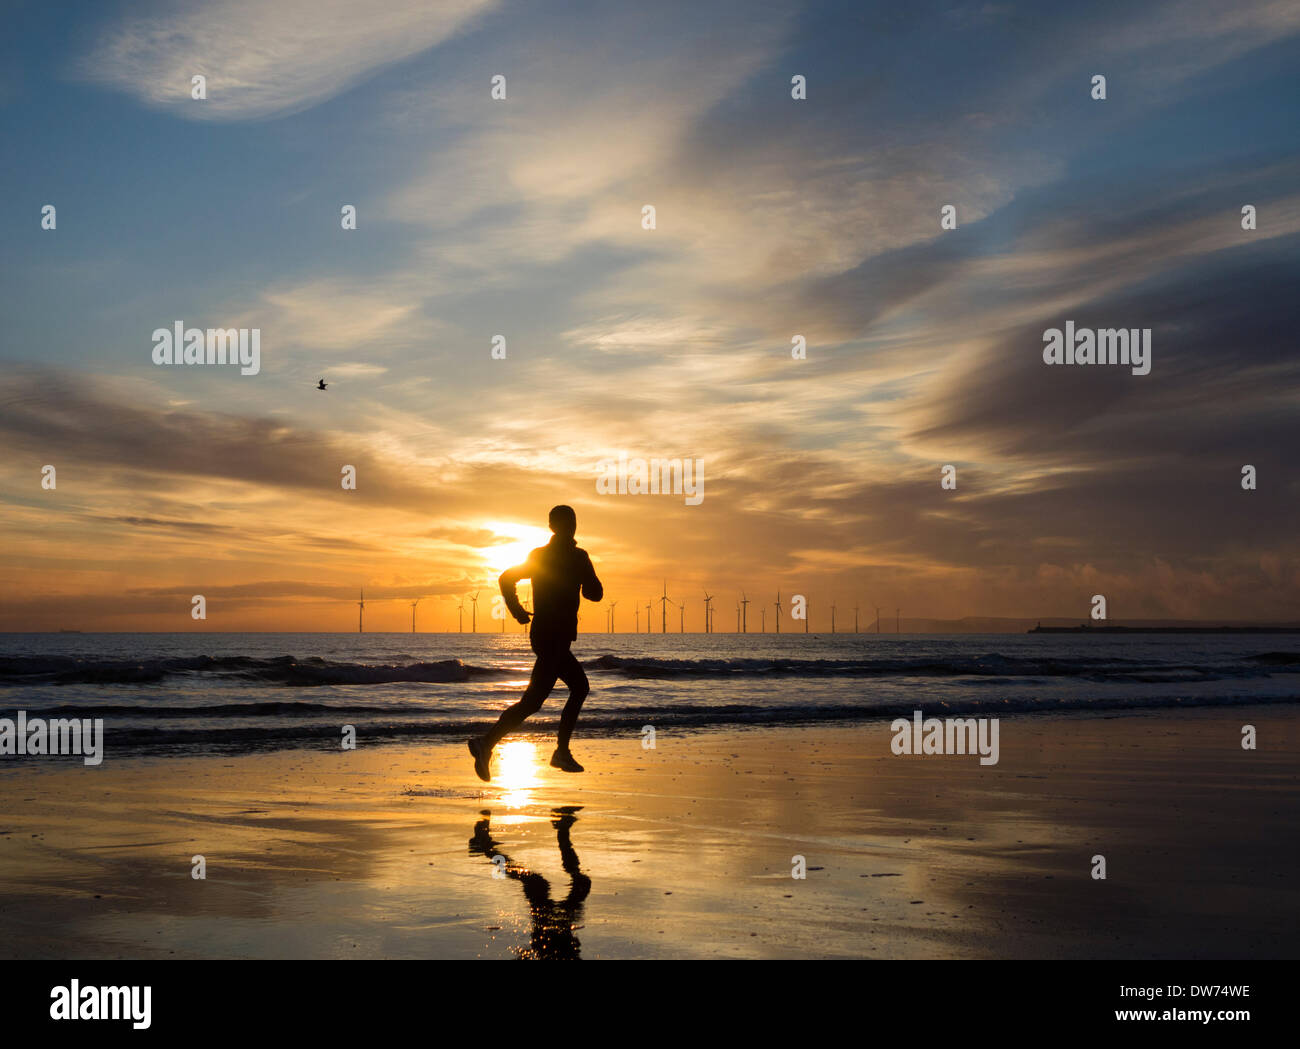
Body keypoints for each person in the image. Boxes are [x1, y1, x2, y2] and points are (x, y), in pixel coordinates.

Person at [468, 505, 602, 781]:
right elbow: (596, 593)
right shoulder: (578, 557)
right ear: (558, 526)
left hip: (545, 635)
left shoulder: (541, 556)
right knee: (573, 689)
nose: (572, 526)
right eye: (568, 522)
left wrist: (517, 609)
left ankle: (489, 743)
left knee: (536, 701)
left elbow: (506, 578)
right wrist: (517, 609)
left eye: (573, 521)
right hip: (553, 637)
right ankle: (557, 752)